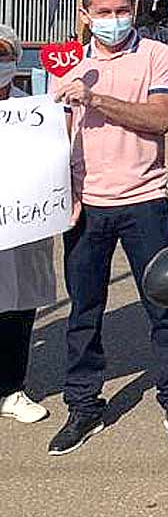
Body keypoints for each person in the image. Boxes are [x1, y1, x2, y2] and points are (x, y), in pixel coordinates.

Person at [48, 0, 168, 455]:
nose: (114, 20)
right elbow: (53, 137)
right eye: (104, 11)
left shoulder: (156, 54)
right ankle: (83, 405)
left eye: (122, 9)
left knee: (164, 304)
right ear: (85, 15)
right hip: (85, 206)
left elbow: (157, 120)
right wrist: (60, 194)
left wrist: (95, 98)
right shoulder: (64, 64)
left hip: (145, 200)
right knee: (84, 311)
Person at [0, 24, 54, 425]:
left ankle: (12, 389)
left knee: (19, 305)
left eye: (2, 55)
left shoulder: (35, 113)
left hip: (22, 227)